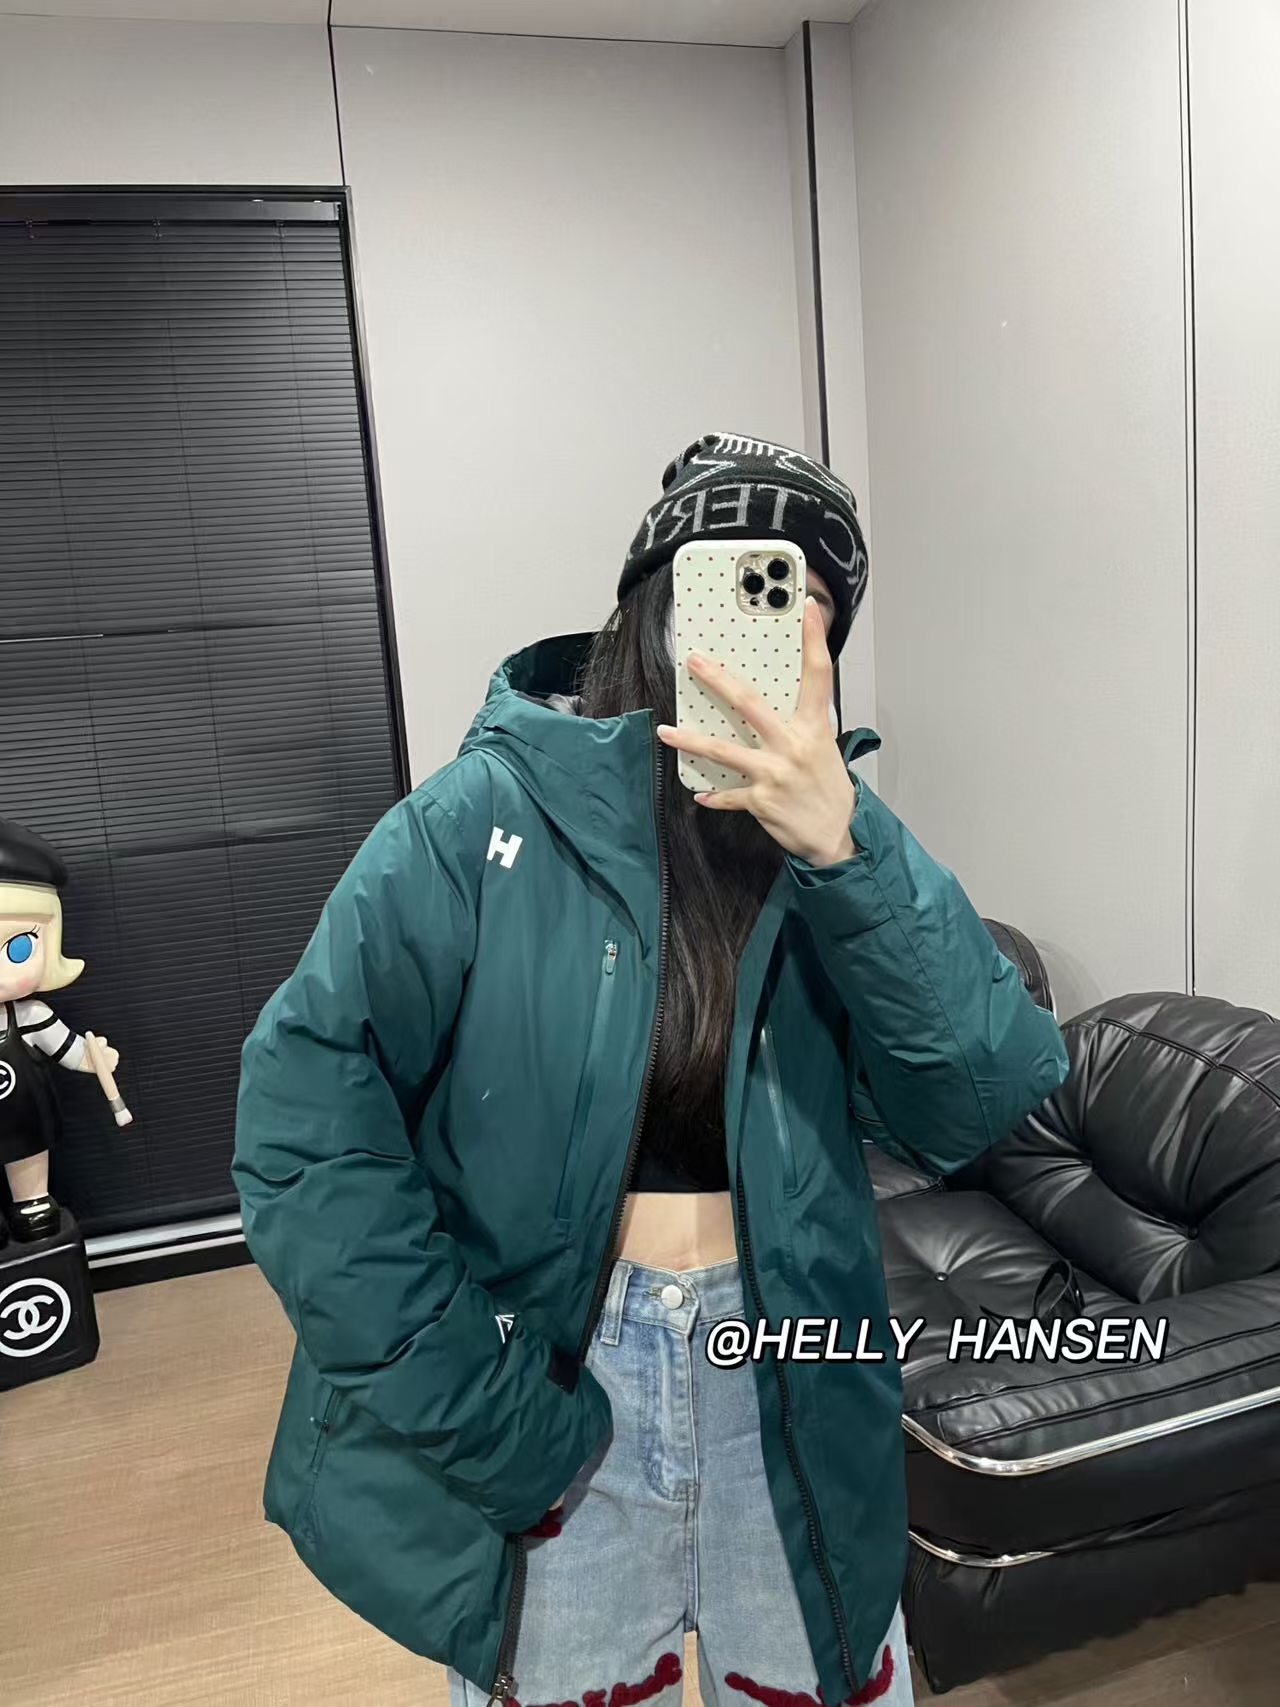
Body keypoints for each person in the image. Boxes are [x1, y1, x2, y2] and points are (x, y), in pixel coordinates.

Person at [232, 433, 1070, 1707]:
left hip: (792, 1369)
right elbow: (306, 1132)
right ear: (648, 607)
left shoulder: (834, 851)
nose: (764, 635)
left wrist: (845, 851)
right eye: (731, 589)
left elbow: (973, 1094)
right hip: (558, 1374)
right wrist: (488, 1415)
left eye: (803, 608)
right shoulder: (477, 820)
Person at [0, 817, 122, 1244]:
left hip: (23, 1119)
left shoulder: (32, 1015)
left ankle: (31, 1201)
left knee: (28, 1155)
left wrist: (92, 1058)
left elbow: (67, 1048)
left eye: (17, 947)